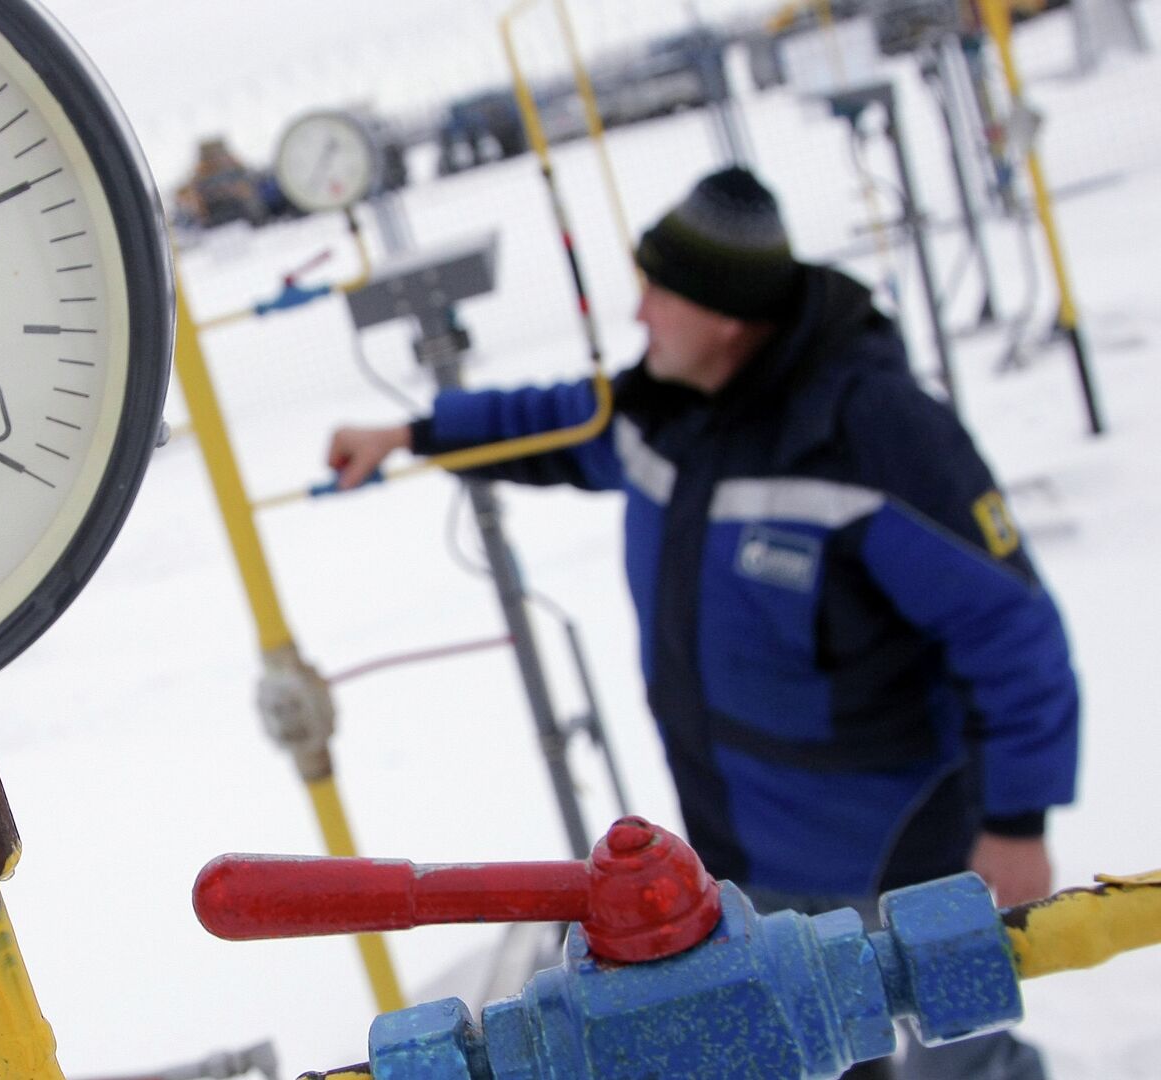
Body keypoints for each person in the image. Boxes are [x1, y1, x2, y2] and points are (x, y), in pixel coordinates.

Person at [327, 168, 1077, 1080]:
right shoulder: (663, 409)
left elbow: (1011, 632)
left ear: (725, 316)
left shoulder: (875, 433)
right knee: (811, 1049)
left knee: (958, 1045)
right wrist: (412, 435)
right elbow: (551, 424)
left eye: (658, 293)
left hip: (895, 847)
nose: (638, 313)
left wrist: (1017, 822)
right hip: (739, 842)